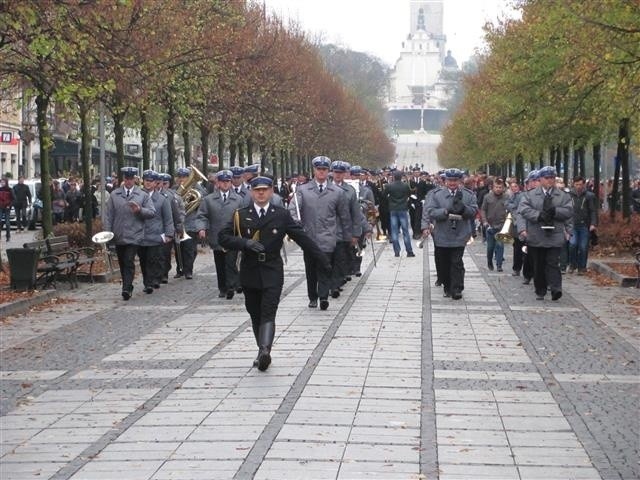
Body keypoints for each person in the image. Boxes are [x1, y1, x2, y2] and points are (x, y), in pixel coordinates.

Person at [219, 176, 330, 371]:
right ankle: (260, 349)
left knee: (269, 310)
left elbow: (302, 238)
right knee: (254, 312)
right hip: (250, 270)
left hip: (272, 270)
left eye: (264, 190)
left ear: (271, 192)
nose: (261, 193)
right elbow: (223, 237)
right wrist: (244, 243)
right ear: (252, 192)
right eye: (257, 190)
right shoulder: (240, 215)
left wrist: (322, 259)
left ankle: (265, 351)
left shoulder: (281, 215)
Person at [289, 155, 351, 310]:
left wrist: (347, 236)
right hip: (308, 237)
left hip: (328, 236)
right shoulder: (302, 190)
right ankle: (312, 296)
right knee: (310, 269)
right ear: (314, 170)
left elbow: (344, 215)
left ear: (328, 171)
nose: (321, 172)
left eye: (324, 169)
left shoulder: (337, 192)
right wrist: (296, 224)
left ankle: (323, 296)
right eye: (319, 169)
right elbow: (293, 210)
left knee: (325, 266)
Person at [517, 166, 573, 301]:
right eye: (547, 178)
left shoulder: (563, 195)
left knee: (553, 262)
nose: (550, 180)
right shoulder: (530, 195)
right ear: (540, 179)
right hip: (536, 234)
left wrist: (556, 212)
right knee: (539, 264)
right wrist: (538, 215)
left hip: (555, 234)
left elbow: (569, 212)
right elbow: (523, 210)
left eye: (552, 178)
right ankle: (540, 290)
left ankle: (556, 289)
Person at [424, 168, 478, 300]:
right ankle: (447, 286)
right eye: (450, 180)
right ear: (445, 181)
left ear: (460, 181)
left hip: (460, 234)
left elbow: (474, 210)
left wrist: (464, 209)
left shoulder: (468, 194)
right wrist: (445, 212)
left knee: (456, 261)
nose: (452, 183)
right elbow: (430, 211)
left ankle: (457, 288)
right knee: (444, 262)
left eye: (455, 180)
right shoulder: (437, 195)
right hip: (442, 233)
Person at [103, 167, 156, 300]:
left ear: (135, 180)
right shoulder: (115, 195)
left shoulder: (142, 195)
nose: (128, 181)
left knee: (128, 260)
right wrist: (108, 232)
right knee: (122, 262)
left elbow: (151, 212)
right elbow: (109, 215)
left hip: (135, 234)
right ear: (124, 179)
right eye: (126, 178)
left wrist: (139, 210)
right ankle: (127, 285)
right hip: (119, 234)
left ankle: (126, 288)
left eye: (131, 179)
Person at [196, 170, 244, 298]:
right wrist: (201, 228)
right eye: (223, 181)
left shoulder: (238, 199)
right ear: (218, 183)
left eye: (228, 181)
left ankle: (230, 286)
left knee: (231, 261)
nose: (225, 184)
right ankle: (222, 287)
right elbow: (202, 216)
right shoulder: (208, 199)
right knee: (220, 263)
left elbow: (244, 217)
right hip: (216, 236)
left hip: (232, 237)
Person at [329, 160, 363, 295]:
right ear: (332, 172)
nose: (338, 175)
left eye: (340, 172)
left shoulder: (350, 190)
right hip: (326, 230)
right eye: (336, 172)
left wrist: (355, 233)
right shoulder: (325, 188)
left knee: (340, 258)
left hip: (342, 230)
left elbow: (355, 214)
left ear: (345, 174)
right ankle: (328, 284)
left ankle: (335, 285)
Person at [138, 170, 174, 293]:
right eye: (146, 180)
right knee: (143, 260)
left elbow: (168, 218)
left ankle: (150, 282)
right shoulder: (137, 196)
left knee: (153, 259)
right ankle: (147, 280)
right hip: (141, 234)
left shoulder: (162, 199)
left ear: (155, 183)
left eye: (151, 181)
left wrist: (169, 233)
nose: (148, 183)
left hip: (155, 234)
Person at [174, 167, 205, 280]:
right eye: (180, 177)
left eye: (185, 177)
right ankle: (180, 269)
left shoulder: (197, 189)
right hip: (178, 224)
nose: (182, 179)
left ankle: (188, 271)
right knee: (179, 248)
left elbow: (202, 202)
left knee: (189, 248)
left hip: (191, 223)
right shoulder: (174, 189)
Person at [567, 176, 598, 274]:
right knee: (572, 245)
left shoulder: (589, 196)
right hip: (572, 224)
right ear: (573, 184)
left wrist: (593, 223)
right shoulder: (568, 195)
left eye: (580, 184)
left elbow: (593, 211)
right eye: (576, 184)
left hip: (584, 225)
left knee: (583, 247)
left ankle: (582, 267)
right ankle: (572, 264)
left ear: (583, 184)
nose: (578, 186)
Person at [158, 173, 185, 284]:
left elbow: (176, 213)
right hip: (154, 230)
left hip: (167, 229)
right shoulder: (147, 195)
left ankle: (164, 273)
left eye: (164, 183)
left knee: (165, 253)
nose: (162, 185)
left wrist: (179, 228)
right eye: (160, 183)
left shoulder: (170, 196)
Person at [385, 170, 415, 257]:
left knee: (394, 231)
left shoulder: (389, 186)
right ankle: (409, 251)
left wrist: (390, 200)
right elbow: (409, 194)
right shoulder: (405, 185)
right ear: (401, 177)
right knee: (405, 231)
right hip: (402, 208)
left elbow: (384, 195)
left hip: (393, 209)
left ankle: (396, 251)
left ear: (393, 177)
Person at [481, 178, 508, 272]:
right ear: (493, 187)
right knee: (490, 247)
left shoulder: (506, 197)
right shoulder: (487, 197)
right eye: (496, 187)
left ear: (503, 188)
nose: (498, 189)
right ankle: (489, 261)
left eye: (500, 187)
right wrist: (484, 221)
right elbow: (483, 210)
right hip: (490, 226)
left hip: (501, 225)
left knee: (500, 245)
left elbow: (510, 210)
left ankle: (499, 264)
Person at [506, 179, 525, 277]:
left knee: (520, 247)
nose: (513, 188)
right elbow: (506, 204)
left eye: (515, 186)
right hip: (514, 224)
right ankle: (516, 268)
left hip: (520, 223)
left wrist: (512, 206)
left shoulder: (521, 195)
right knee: (516, 247)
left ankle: (518, 268)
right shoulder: (511, 195)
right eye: (511, 187)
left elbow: (518, 206)